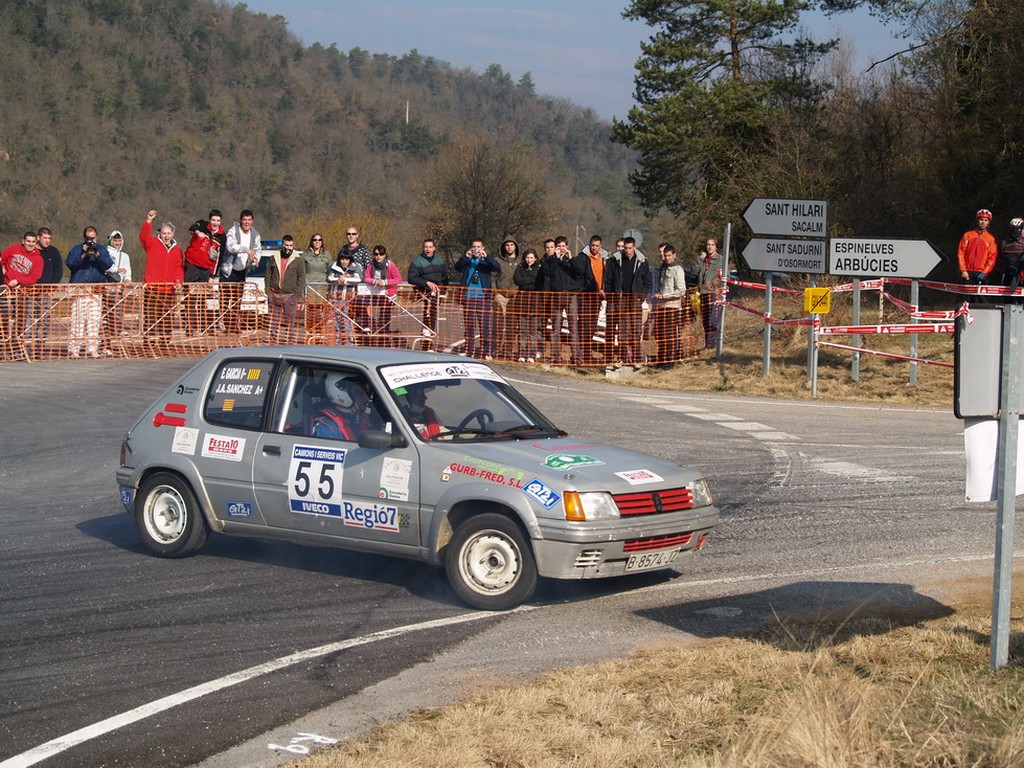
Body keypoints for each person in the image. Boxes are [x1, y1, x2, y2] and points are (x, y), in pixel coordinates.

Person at [66, 226, 114, 359]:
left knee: (94, 321)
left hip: (96, 290)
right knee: (78, 321)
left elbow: (109, 265)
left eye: (92, 238)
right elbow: (70, 263)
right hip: (80, 290)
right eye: (88, 238)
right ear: (84, 238)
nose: (90, 241)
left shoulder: (101, 249)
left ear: (96, 237)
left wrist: (98, 256)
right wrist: (83, 255)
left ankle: (92, 349)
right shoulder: (77, 249)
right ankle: (74, 349)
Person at [603, 236, 651, 368]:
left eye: (630, 248)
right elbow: (608, 280)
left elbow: (647, 281)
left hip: (635, 299)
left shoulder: (642, 261)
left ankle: (637, 359)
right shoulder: (615, 260)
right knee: (622, 330)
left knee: (636, 329)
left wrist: (641, 296)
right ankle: (622, 358)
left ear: (634, 247)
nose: (627, 251)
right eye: (625, 248)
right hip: (621, 299)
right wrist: (612, 296)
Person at [140, 210, 184, 342]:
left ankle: (165, 341)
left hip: (169, 289)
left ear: (173, 234)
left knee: (167, 317)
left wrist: (178, 281)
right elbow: (143, 237)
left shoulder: (177, 249)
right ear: (160, 233)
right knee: (151, 316)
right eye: (164, 233)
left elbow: (178, 267)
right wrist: (149, 221)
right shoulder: (152, 243)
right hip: (152, 288)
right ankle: (149, 341)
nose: (166, 236)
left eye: (168, 233)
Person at [454, 239, 500, 359]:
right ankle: (469, 350)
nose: (476, 249)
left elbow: (497, 267)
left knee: (484, 325)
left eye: (478, 247)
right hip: (469, 296)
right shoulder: (468, 260)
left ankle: (486, 351)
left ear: (482, 248)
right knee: (469, 325)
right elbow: (457, 267)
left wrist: (487, 257)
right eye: (474, 246)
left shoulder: (486, 261)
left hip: (483, 297)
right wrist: (465, 257)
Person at [1, 232, 44, 351]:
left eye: (33, 242)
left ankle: (16, 347)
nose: (30, 244)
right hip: (5, 289)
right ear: (23, 241)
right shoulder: (13, 248)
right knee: (4, 315)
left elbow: (34, 278)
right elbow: (2, 259)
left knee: (20, 319)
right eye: (28, 241)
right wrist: (2, 269)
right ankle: (4, 343)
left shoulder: (38, 259)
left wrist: (18, 280)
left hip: (22, 292)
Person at [221, 209, 261, 332]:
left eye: (249, 220)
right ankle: (224, 324)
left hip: (242, 271)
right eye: (244, 220)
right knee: (225, 299)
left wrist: (255, 259)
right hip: (229, 270)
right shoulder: (233, 231)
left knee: (237, 299)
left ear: (252, 221)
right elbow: (230, 246)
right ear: (241, 220)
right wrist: (245, 250)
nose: (247, 222)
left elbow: (257, 250)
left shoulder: (255, 235)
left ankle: (234, 325)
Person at [311, 372, 380, 441]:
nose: (366, 398)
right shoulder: (327, 428)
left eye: (366, 393)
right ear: (341, 395)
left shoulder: (359, 419)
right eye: (360, 393)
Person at [265, 235, 307, 345]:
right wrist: (268, 292)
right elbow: (268, 275)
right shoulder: (273, 258)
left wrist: (297, 295)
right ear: (282, 245)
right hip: (275, 294)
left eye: (291, 245)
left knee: (290, 322)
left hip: (290, 296)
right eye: (286, 245)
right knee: (274, 322)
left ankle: (289, 343)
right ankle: (272, 343)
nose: (288, 248)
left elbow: (301, 279)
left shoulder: (298, 260)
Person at [651, 244, 686, 367]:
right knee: (659, 334)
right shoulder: (663, 268)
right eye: (665, 255)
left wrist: (665, 296)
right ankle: (661, 359)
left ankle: (669, 361)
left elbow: (681, 290)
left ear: (674, 255)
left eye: (669, 255)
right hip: (661, 306)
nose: (667, 258)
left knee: (669, 334)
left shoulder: (678, 269)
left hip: (672, 306)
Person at [407, 237, 448, 339]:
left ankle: (429, 335)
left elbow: (445, 276)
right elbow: (411, 278)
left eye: (430, 247)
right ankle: (426, 337)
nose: (428, 249)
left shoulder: (439, 260)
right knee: (429, 311)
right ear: (423, 248)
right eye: (426, 247)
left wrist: (444, 289)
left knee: (433, 313)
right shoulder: (417, 261)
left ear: (434, 248)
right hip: (425, 290)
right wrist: (426, 283)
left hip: (438, 291)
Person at [182, 219, 218, 335]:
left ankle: (205, 325)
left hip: (206, 268)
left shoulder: (220, 235)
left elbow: (218, 257)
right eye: (213, 220)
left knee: (204, 298)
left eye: (217, 221)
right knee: (190, 297)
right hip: (192, 265)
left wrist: (212, 275)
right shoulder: (202, 224)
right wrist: (198, 232)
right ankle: (189, 325)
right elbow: (192, 228)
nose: (215, 223)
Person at [575, 235, 606, 362]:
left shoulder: (603, 259)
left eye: (597, 246)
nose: (594, 248)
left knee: (593, 324)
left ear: (600, 246)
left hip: (597, 296)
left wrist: (603, 288)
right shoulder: (584, 258)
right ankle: (580, 352)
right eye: (592, 245)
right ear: (589, 245)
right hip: (585, 295)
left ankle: (587, 352)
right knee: (583, 324)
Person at [337, 226, 372, 333]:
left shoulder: (363, 250)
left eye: (353, 234)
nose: (351, 236)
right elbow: (337, 265)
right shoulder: (342, 249)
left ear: (357, 236)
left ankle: (365, 328)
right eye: (349, 234)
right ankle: (346, 332)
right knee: (345, 311)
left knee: (361, 306)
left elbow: (369, 267)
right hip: (345, 287)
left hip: (360, 285)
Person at [363, 244, 401, 343]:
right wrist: (375, 281)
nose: (378, 256)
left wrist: (385, 282)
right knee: (363, 304)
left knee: (385, 315)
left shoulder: (390, 265)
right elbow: (366, 278)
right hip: (374, 293)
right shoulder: (371, 265)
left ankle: (384, 336)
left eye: (381, 254)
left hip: (388, 294)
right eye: (376, 254)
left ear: (384, 255)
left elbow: (398, 279)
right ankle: (368, 329)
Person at [512, 248, 543, 362]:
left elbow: (538, 282)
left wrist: (528, 282)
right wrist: (530, 281)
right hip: (522, 302)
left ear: (535, 258)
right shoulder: (520, 267)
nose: (529, 260)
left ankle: (532, 354)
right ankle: (522, 353)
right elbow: (517, 280)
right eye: (527, 257)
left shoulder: (539, 268)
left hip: (535, 302)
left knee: (533, 330)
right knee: (522, 330)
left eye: (531, 258)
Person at [326, 250, 363, 345]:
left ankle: (348, 341)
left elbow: (358, 279)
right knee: (337, 319)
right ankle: (338, 340)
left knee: (346, 320)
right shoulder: (333, 266)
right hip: (335, 297)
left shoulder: (356, 267)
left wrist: (345, 280)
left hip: (349, 298)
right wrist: (338, 279)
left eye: (346, 259)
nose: (344, 262)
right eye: (342, 259)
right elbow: (329, 278)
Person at [695, 236, 725, 349]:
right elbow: (694, 271)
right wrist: (699, 259)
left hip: (714, 293)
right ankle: (708, 343)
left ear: (716, 247)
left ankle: (713, 344)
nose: (710, 247)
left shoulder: (720, 260)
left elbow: (725, 276)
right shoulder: (703, 260)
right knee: (706, 320)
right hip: (703, 293)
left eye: (712, 245)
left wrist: (712, 284)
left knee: (713, 319)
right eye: (708, 244)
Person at [34, 227, 63, 342]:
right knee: (28, 317)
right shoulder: (32, 250)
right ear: (38, 238)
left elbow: (58, 272)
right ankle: (25, 343)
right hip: (29, 290)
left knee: (44, 318)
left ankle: (41, 343)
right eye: (45, 238)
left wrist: (52, 287)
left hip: (46, 291)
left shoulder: (54, 252)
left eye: (49, 238)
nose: (47, 241)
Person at [103, 230, 133, 342]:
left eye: (119, 241)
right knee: (106, 313)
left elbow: (127, 269)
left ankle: (118, 330)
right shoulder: (105, 253)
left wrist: (127, 279)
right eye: (115, 240)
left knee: (118, 310)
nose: (117, 243)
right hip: (106, 286)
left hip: (118, 287)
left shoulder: (125, 256)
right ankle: (106, 336)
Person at [493, 238, 521, 358]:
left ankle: (508, 350)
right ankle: (495, 349)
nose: (509, 247)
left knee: (512, 326)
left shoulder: (520, 261)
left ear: (516, 246)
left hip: (514, 297)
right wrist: (495, 293)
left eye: (511, 245)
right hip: (500, 296)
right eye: (507, 245)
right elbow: (493, 276)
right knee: (497, 325)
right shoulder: (498, 261)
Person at [958, 208, 997, 286]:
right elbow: (961, 253)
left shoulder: (991, 239)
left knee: (980, 294)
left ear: (988, 222)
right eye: (981, 219)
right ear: (977, 220)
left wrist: (984, 273)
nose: (983, 222)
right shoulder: (967, 235)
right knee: (965, 293)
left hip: (981, 273)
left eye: (986, 220)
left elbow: (992, 258)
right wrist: (963, 270)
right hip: (967, 272)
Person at [1000, 218, 1024, 300]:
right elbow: (1001, 258)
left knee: (1021, 301)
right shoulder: (1004, 242)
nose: (1015, 231)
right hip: (1008, 275)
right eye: (1013, 229)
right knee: (1007, 300)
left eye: (1018, 229)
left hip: (1021, 276)